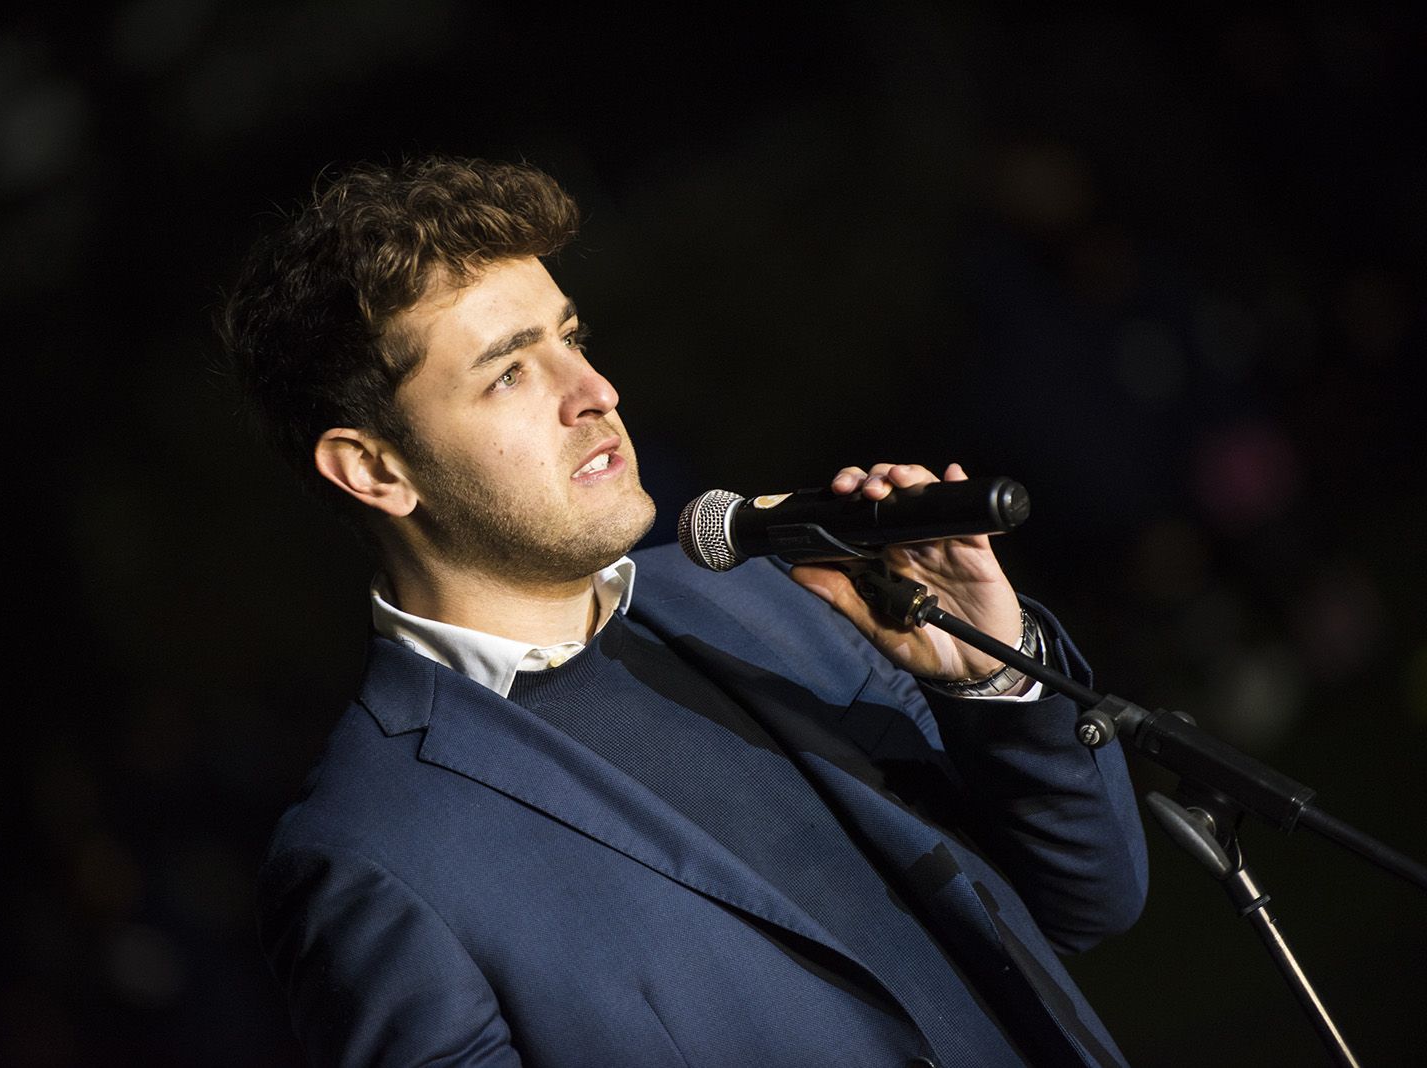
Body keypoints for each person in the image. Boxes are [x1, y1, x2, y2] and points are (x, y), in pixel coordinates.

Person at [221, 156, 1147, 1067]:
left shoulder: (768, 599)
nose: (595, 393)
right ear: (374, 468)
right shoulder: (374, 855)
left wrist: (990, 681)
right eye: (508, 374)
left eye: (570, 339)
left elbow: (1086, 902)